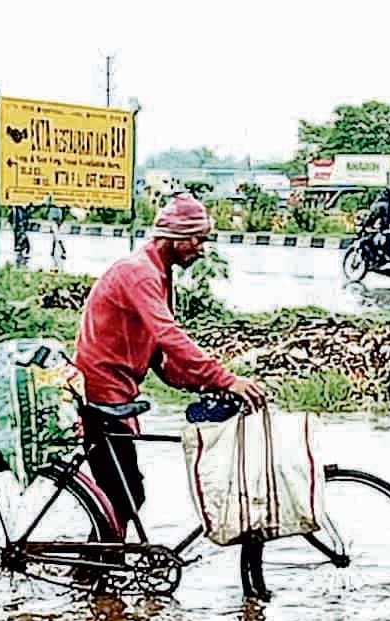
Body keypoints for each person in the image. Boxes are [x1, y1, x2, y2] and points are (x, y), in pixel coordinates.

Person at [74, 194, 267, 538]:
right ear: (176, 237)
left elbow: (160, 358)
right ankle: (96, 567)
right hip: (102, 394)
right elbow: (168, 335)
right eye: (197, 239)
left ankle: (103, 565)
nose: (201, 249)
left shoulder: (157, 273)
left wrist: (207, 383)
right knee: (124, 498)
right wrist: (224, 378)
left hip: (116, 391)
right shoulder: (140, 274)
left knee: (124, 497)